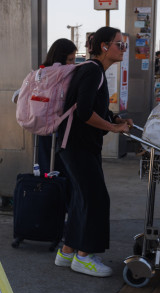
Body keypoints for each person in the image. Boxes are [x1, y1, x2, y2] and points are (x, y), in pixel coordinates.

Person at [54, 26, 134, 278]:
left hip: (76, 145)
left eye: (124, 45)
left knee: (82, 198)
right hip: (78, 146)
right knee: (97, 199)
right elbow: (84, 112)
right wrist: (112, 127)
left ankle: (67, 252)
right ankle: (85, 256)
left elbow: (88, 107)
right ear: (104, 46)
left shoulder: (93, 70)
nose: (123, 49)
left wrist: (114, 118)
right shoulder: (92, 71)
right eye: (119, 44)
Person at [36, 38, 78, 176]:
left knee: (47, 171)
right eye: (70, 59)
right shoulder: (67, 76)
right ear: (60, 58)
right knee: (62, 174)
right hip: (61, 131)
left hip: (44, 130)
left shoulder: (41, 73)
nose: (73, 64)